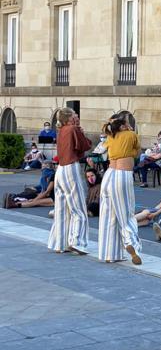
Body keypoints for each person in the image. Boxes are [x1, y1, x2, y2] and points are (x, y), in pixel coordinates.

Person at [46, 108, 91, 256]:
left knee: (61, 209)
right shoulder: (73, 129)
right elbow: (85, 146)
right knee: (78, 208)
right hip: (71, 168)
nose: (77, 115)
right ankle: (77, 242)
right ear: (70, 118)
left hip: (60, 170)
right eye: (74, 114)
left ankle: (59, 243)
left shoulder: (62, 130)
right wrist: (81, 131)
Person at [98, 113, 142, 264]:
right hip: (122, 175)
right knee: (126, 213)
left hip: (108, 175)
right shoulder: (131, 134)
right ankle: (131, 244)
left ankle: (109, 253)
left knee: (108, 215)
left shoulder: (111, 136)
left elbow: (104, 150)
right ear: (123, 125)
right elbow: (137, 152)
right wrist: (130, 130)